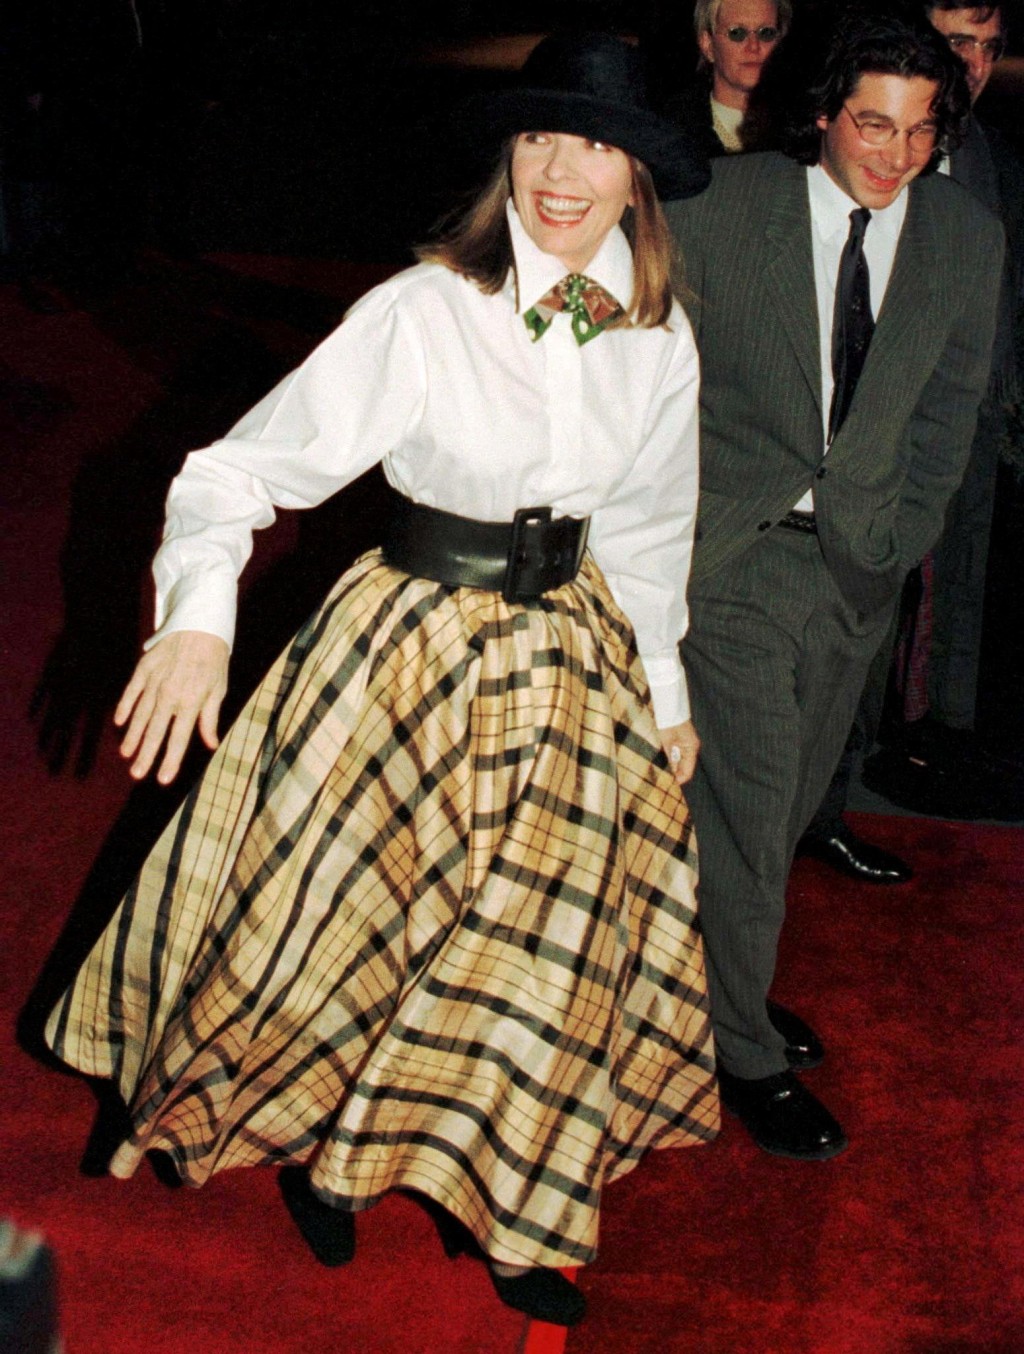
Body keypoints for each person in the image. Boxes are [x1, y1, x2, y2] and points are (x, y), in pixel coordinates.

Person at [42, 33, 719, 1329]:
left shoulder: (656, 333)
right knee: (368, 925)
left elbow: (646, 528)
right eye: (538, 138)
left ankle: (523, 1203)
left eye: (592, 144)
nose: (559, 172)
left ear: (640, 173)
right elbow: (232, 475)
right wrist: (195, 620)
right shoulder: (424, 310)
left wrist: (667, 696)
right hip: (409, 646)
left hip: (570, 653)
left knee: (549, 943)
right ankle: (338, 1167)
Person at [666, 7, 1002, 1160]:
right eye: (870, 123)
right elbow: (642, 371)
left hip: (859, 558)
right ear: (820, 112)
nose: (892, 154)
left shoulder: (962, 232)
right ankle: (737, 1048)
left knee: (801, 798)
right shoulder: (722, 206)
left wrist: (903, 533)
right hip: (737, 551)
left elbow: (952, 405)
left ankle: (719, 985)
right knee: (753, 810)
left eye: (917, 132)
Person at [800, 0, 1024, 864]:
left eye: (988, 48)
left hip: (951, 433)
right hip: (847, 444)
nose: (971, 61)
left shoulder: (991, 163)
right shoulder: (850, 155)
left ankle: (844, 793)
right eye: (954, 41)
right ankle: (812, 808)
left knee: (901, 625)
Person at [665, 0, 792, 155]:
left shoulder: (802, 129)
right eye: (737, 33)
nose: (753, 46)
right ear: (708, 45)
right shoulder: (671, 131)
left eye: (766, 33)